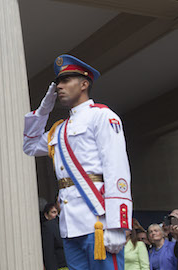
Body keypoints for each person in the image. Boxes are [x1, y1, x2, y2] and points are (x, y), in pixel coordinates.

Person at [23, 54, 132, 269]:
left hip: (99, 221)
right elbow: (29, 146)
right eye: (58, 83)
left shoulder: (102, 116)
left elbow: (116, 167)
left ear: (84, 84)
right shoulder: (59, 129)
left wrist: (118, 224)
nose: (59, 87)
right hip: (70, 224)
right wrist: (45, 108)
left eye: (66, 81)